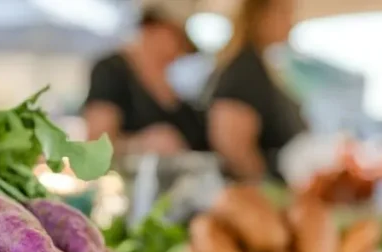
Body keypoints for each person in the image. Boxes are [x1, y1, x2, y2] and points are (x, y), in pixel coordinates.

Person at [82, 2, 206, 156]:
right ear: (152, 28)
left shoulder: (173, 82)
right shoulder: (112, 71)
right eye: (177, 38)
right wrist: (140, 145)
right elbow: (96, 142)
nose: (179, 51)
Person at [205, 0, 304, 181]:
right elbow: (232, 146)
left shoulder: (258, 65)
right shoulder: (244, 69)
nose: (291, 22)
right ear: (260, 16)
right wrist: (266, 190)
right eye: (284, 13)